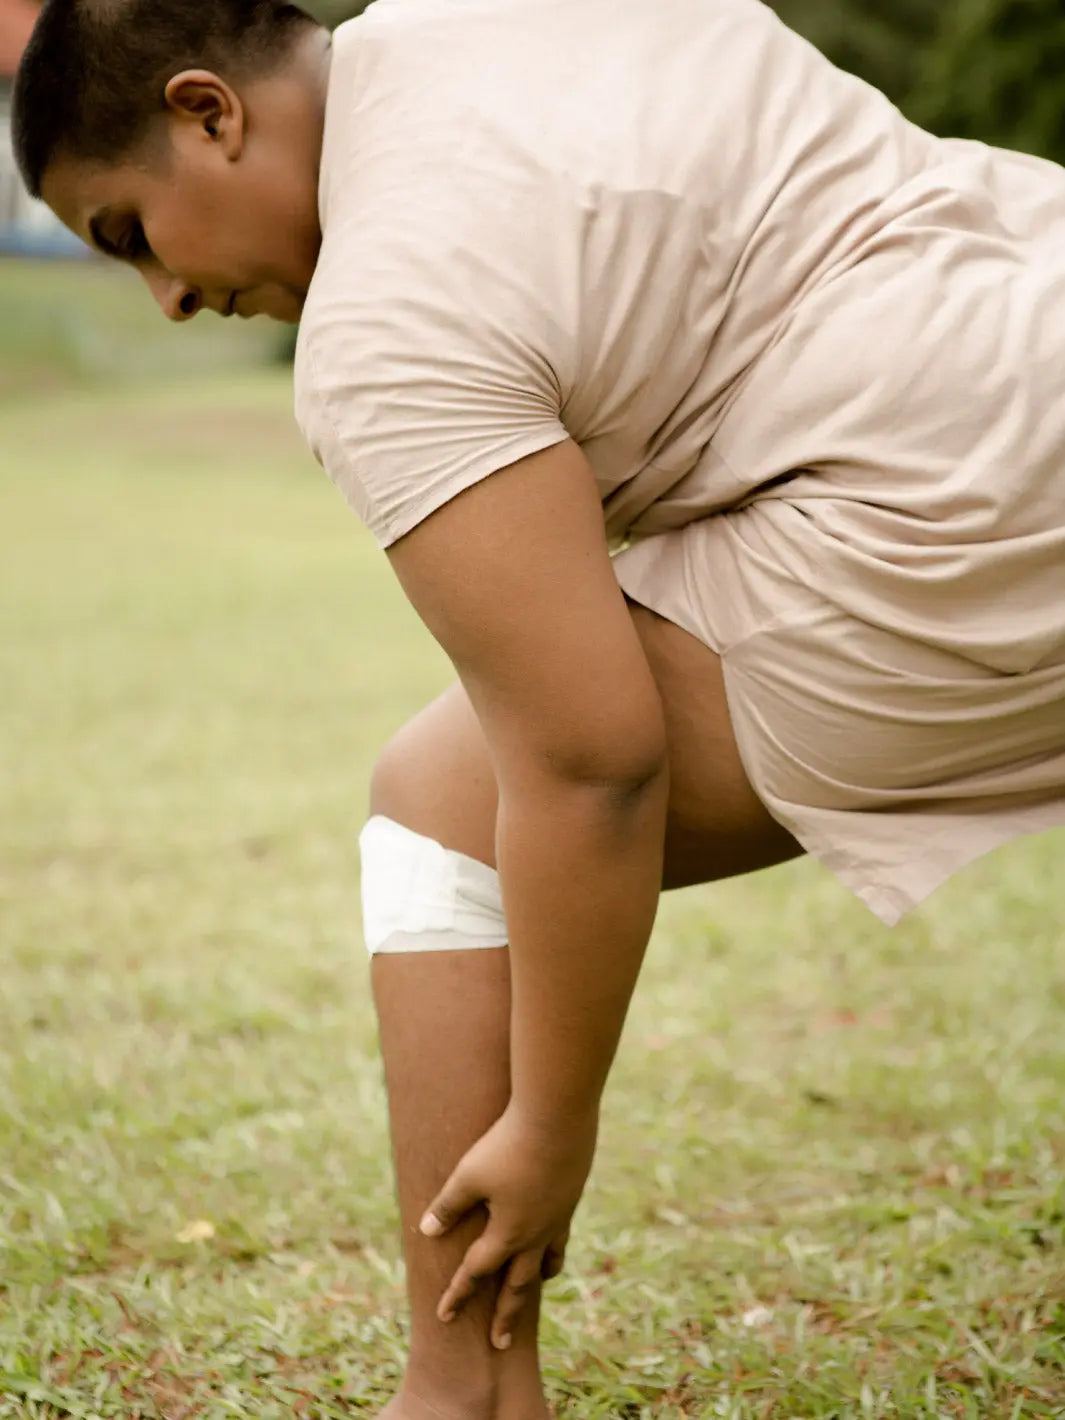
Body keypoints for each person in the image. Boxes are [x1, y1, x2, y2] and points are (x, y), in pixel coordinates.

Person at [17, 0, 1065, 1414]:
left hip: (968, 504)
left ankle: (465, 1397)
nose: (166, 298)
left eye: (131, 231)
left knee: (442, 808)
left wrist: (548, 1124)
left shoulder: (385, 324)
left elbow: (591, 765)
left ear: (210, 113)